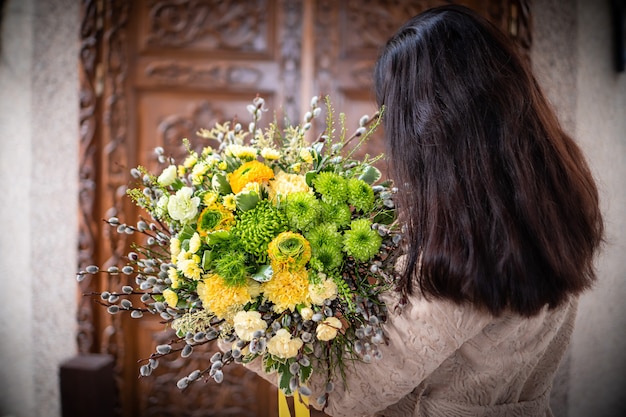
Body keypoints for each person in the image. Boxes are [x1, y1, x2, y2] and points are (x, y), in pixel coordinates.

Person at [245, 5, 604, 416]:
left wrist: (229, 312)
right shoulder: (552, 187)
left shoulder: (471, 243)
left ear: (428, 125)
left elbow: (349, 392)